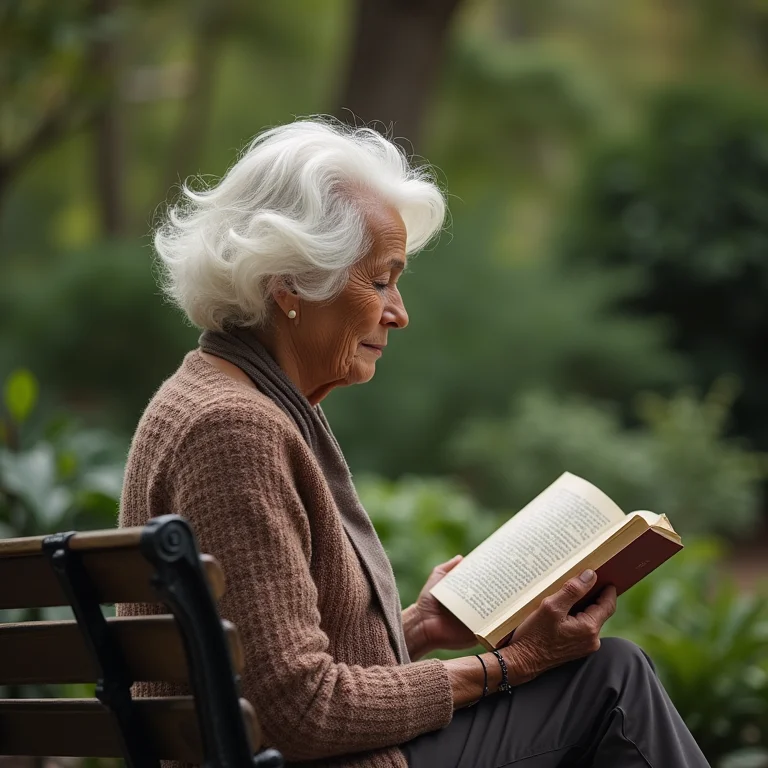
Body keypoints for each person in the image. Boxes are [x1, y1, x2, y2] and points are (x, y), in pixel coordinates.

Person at [118, 118, 710, 768]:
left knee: (610, 675)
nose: (399, 312)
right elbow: (298, 710)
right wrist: (512, 664)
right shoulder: (236, 428)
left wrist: (421, 626)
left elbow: (270, 670)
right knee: (612, 681)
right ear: (288, 285)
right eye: (379, 281)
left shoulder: (209, 395)